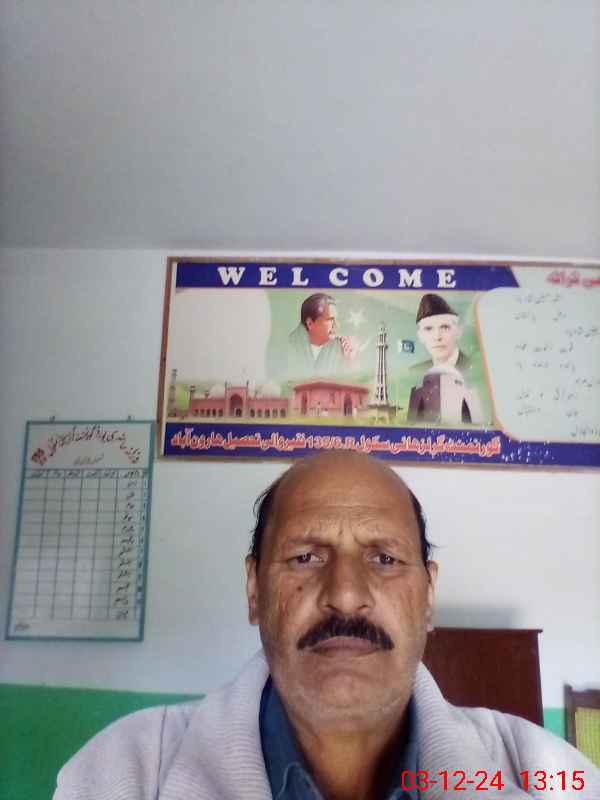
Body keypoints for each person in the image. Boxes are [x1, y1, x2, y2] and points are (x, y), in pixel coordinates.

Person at [54, 453, 599, 799]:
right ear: (254, 590)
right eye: (306, 558)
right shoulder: (123, 770)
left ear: (429, 596)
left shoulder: (549, 775)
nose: (345, 594)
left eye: (384, 558)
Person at [287, 292, 357, 380]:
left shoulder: (342, 348)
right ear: (310, 323)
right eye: (330, 319)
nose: (336, 325)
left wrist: (350, 361)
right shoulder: (289, 347)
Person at [409, 293, 471, 375]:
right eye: (428, 329)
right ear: (420, 336)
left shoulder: (475, 366)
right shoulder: (415, 372)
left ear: (458, 332)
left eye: (445, 327)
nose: (437, 337)